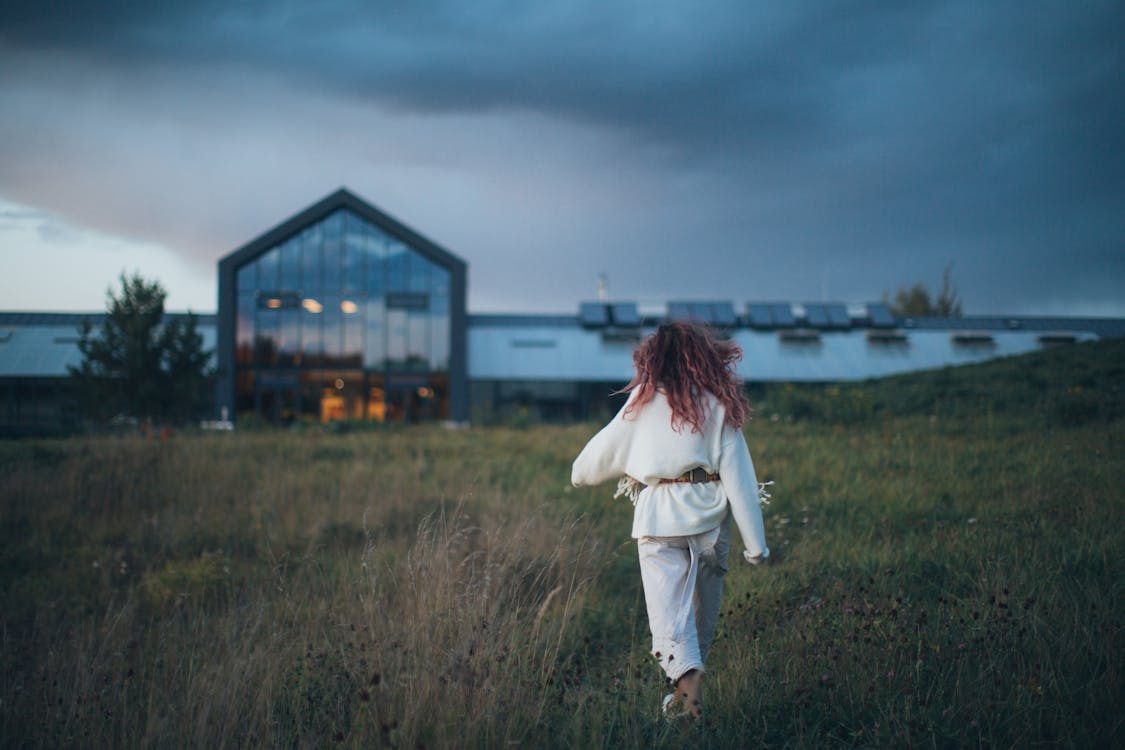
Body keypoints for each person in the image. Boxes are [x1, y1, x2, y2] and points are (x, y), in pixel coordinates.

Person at [571, 321, 770, 720]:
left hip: (658, 523)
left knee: (670, 622)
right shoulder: (717, 405)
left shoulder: (639, 404)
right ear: (702, 357)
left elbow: (587, 466)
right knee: (699, 624)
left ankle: (687, 698)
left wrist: (580, 474)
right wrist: (756, 547)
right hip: (710, 524)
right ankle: (685, 704)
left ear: (652, 359)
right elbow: (741, 481)